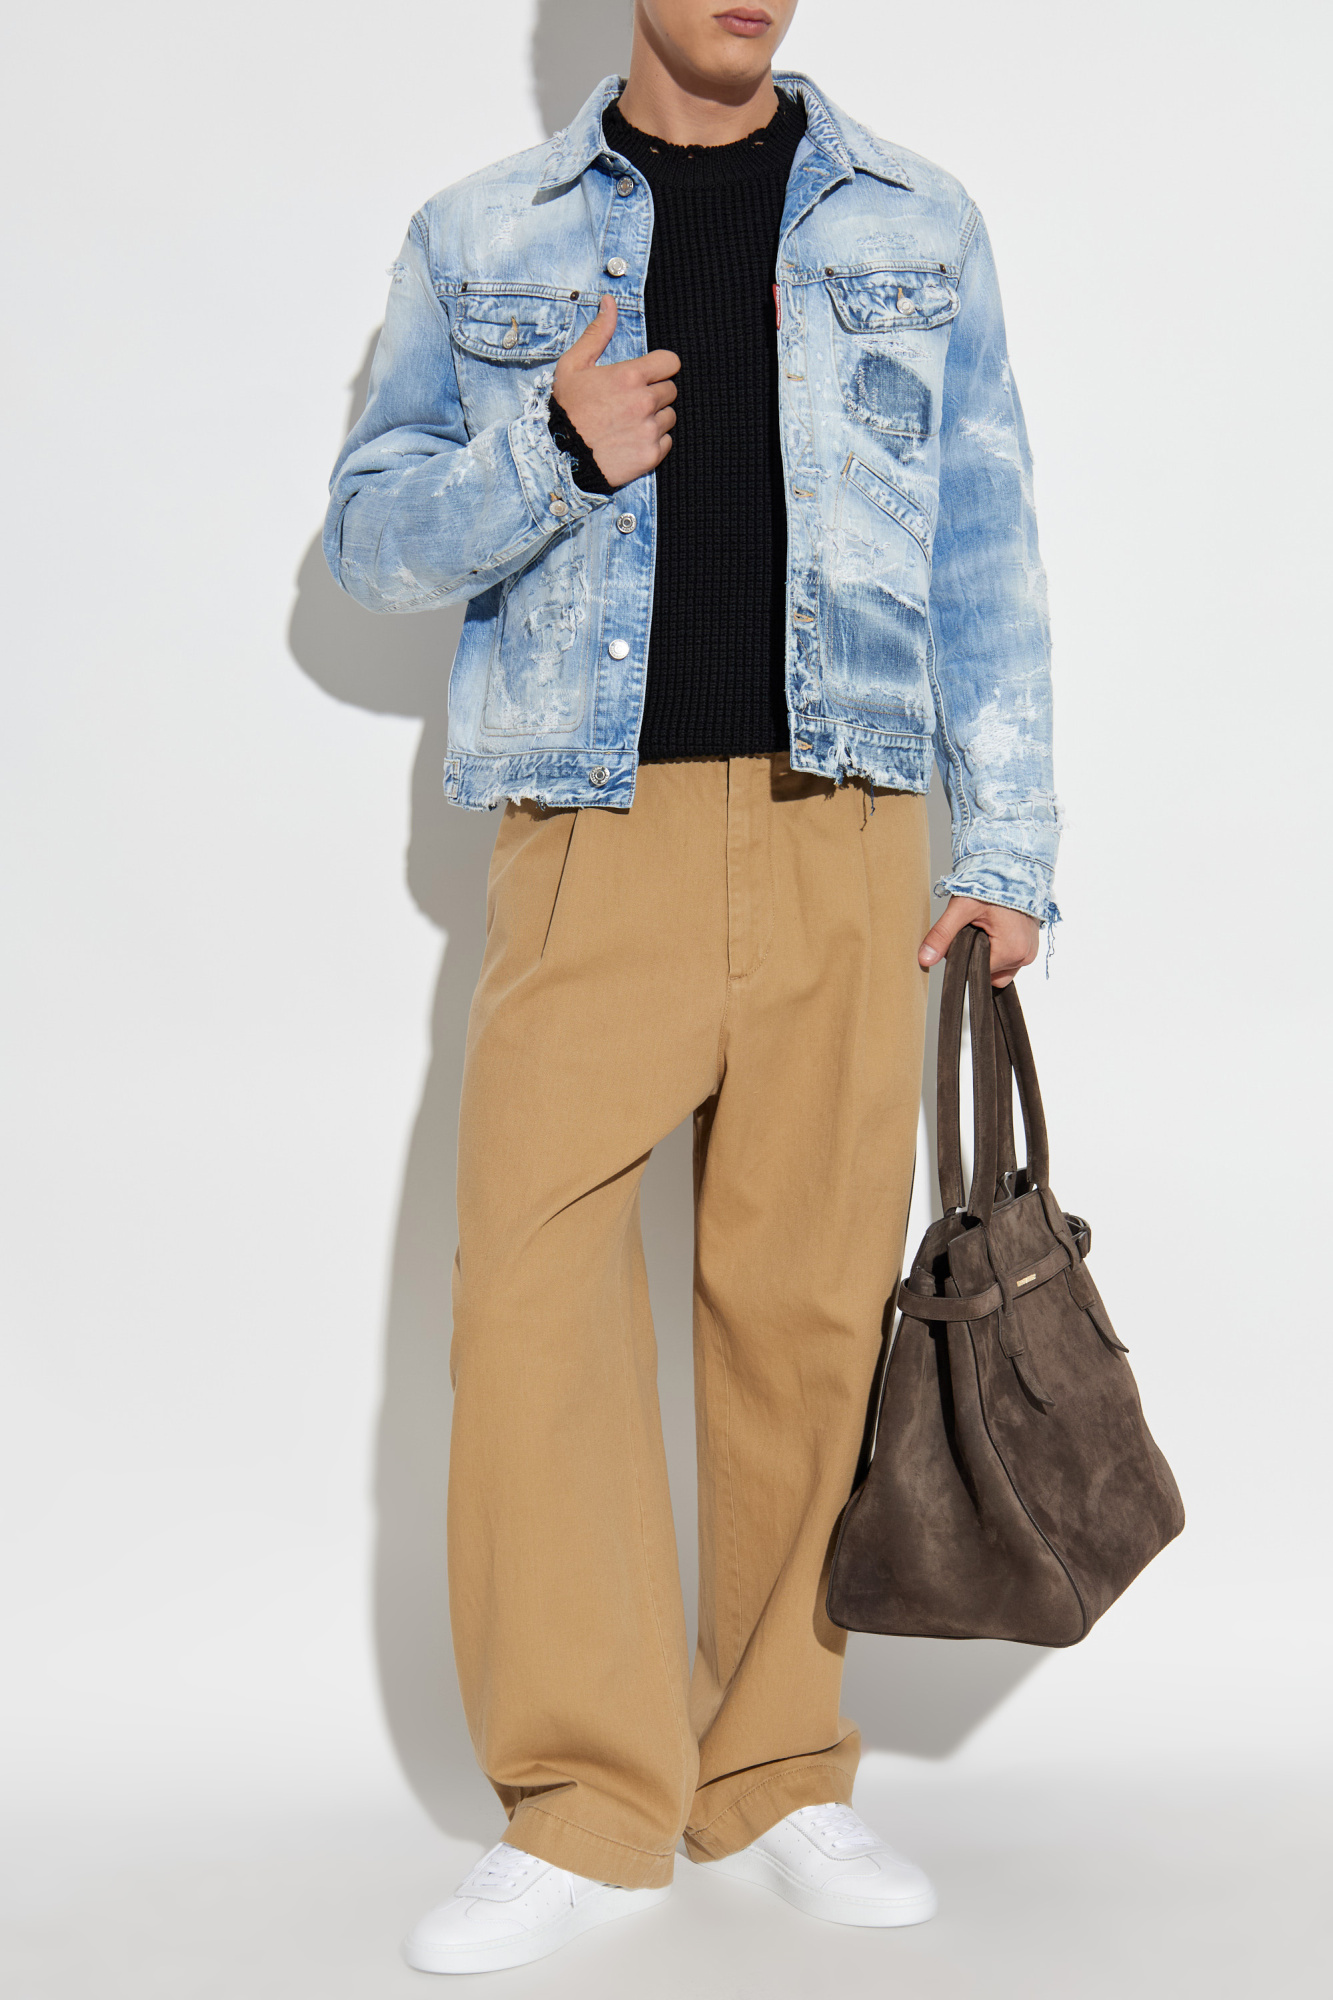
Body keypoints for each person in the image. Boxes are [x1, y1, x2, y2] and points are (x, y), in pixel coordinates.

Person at [324, 0, 1059, 1975]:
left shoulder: (917, 222)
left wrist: (1003, 845)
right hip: (589, 832)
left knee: (803, 1312)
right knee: (532, 1304)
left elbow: (984, 544)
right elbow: (366, 542)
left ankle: (779, 1769)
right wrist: (550, 452)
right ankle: (580, 1801)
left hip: (847, 823)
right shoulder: (482, 231)